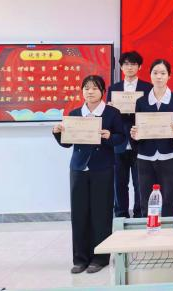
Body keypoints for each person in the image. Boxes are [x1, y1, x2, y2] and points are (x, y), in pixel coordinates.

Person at [53, 75, 124, 274]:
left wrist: (110, 136)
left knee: (101, 213)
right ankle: (80, 259)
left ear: (102, 91)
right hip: (78, 169)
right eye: (86, 88)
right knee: (79, 213)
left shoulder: (112, 113)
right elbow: (67, 143)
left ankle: (100, 258)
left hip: (103, 168)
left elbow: (121, 138)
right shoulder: (75, 113)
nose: (90, 91)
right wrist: (58, 132)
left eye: (94, 88)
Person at [130, 59, 173, 217]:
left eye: (163, 73)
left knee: (170, 200)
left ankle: (168, 230)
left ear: (169, 76)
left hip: (170, 156)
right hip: (145, 157)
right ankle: (148, 230)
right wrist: (134, 135)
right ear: (150, 75)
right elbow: (137, 130)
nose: (159, 76)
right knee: (146, 201)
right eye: (155, 73)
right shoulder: (141, 101)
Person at [107, 51, 153, 219]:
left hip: (140, 141)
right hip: (119, 141)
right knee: (119, 182)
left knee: (140, 182)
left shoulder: (147, 88)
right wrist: (111, 108)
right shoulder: (114, 89)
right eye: (126, 64)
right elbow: (109, 117)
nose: (129, 67)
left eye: (133, 64)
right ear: (121, 67)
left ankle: (140, 216)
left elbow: (150, 113)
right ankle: (121, 215)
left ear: (139, 67)